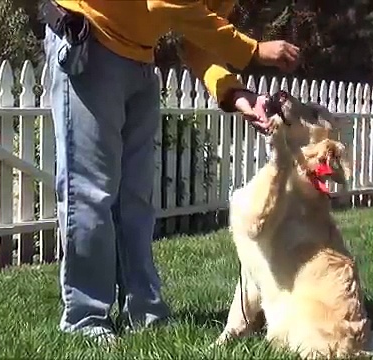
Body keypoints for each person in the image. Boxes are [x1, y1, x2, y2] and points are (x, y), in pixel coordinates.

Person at [41, 0, 301, 343]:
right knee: (90, 193)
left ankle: (145, 311)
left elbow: (196, 38)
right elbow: (166, 2)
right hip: (90, 37)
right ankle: (85, 317)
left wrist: (234, 93)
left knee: (136, 198)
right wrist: (251, 51)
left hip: (139, 59)